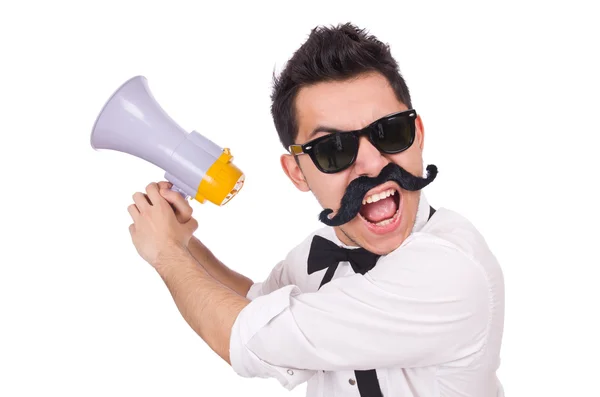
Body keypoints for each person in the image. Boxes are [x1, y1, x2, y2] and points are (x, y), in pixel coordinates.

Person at [126, 22, 505, 397]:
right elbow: (255, 306)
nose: (373, 164)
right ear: (297, 172)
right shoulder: (317, 251)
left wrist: (166, 254)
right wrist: (187, 243)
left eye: (389, 132)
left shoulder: (449, 272)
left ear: (418, 134)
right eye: (334, 149)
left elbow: (249, 338)